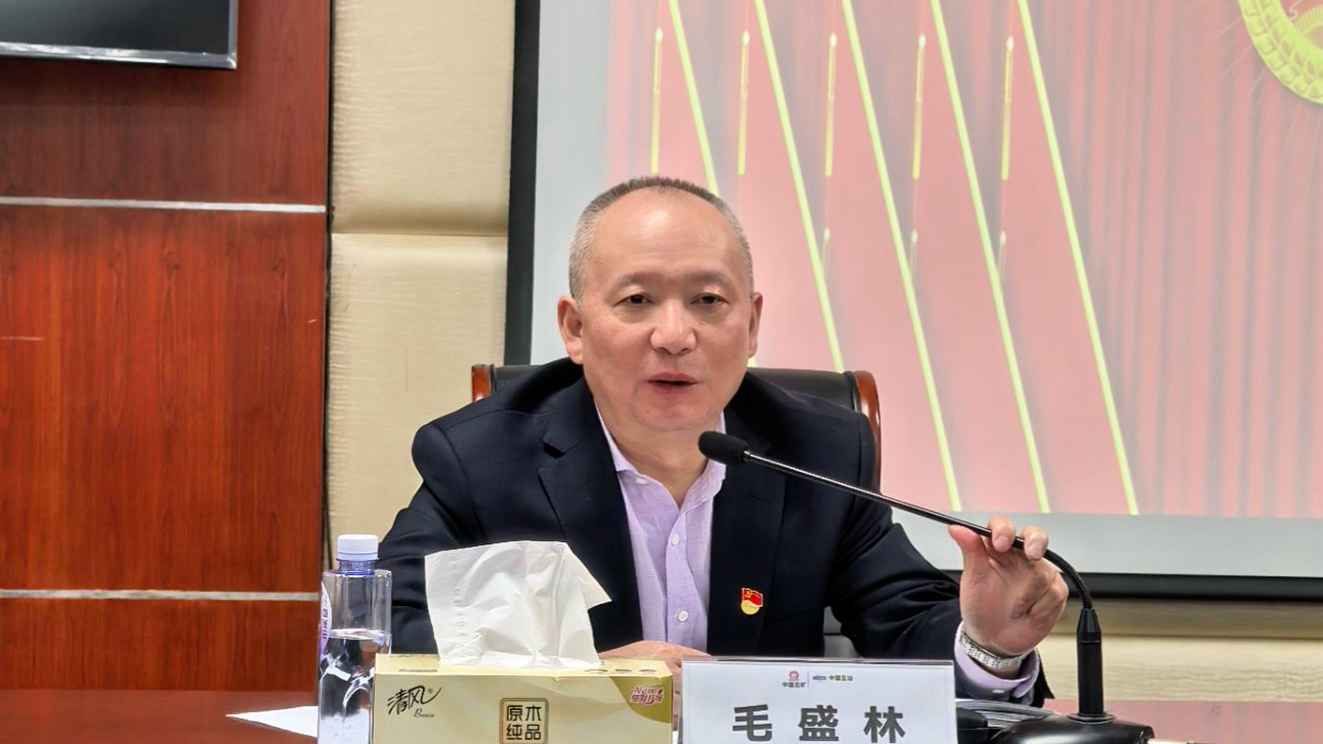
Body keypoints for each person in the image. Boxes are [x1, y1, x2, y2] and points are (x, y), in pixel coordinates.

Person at [378, 175, 1066, 704]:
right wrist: (584, 678)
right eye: (636, 300)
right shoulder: (484, 461)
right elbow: (387, 634)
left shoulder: (819, 453)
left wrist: (990, 643)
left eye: (708, 301)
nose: (675, 335)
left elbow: (906, 627)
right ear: (575, 329)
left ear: (753, 322)